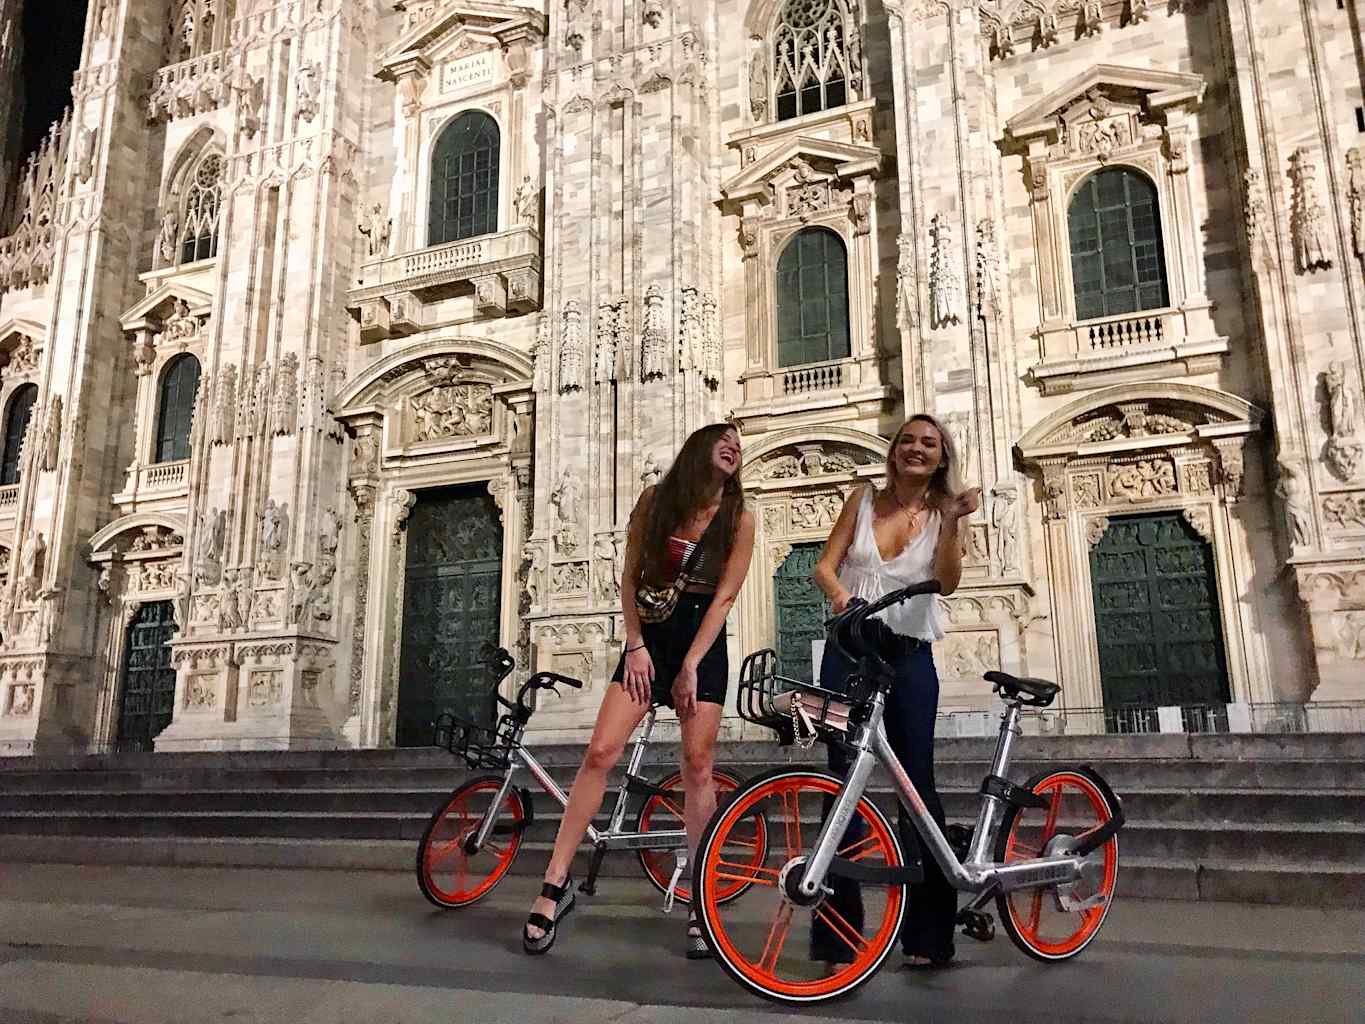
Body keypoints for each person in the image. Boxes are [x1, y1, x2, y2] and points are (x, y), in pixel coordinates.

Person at [523, 424, 755, 957]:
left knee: (698, 764)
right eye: (725, 438)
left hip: (702, 639)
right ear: (700, 447)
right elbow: (629, 576)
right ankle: (555, 883)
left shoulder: (740, 519)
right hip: (650, 638)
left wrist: (692, 664)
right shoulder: (657, 501)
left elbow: (724, 598)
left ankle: (702, 898)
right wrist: (634, 643)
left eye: (740, 445)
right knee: (600, 752)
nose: (734, 448)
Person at [810, 414, 980, 968]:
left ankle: (929, 936)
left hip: (908, 657)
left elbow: (948, 581)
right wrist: (840, 598)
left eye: (928, 443)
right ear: (894, 449)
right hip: (850, 648)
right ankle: (838, 936)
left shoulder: (941, 514)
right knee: (843, 785)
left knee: (915, 789)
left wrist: (951, 521)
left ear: (941, 456)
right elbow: (824, 566)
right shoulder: (862, 500)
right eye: (908, 439)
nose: (916, 448)